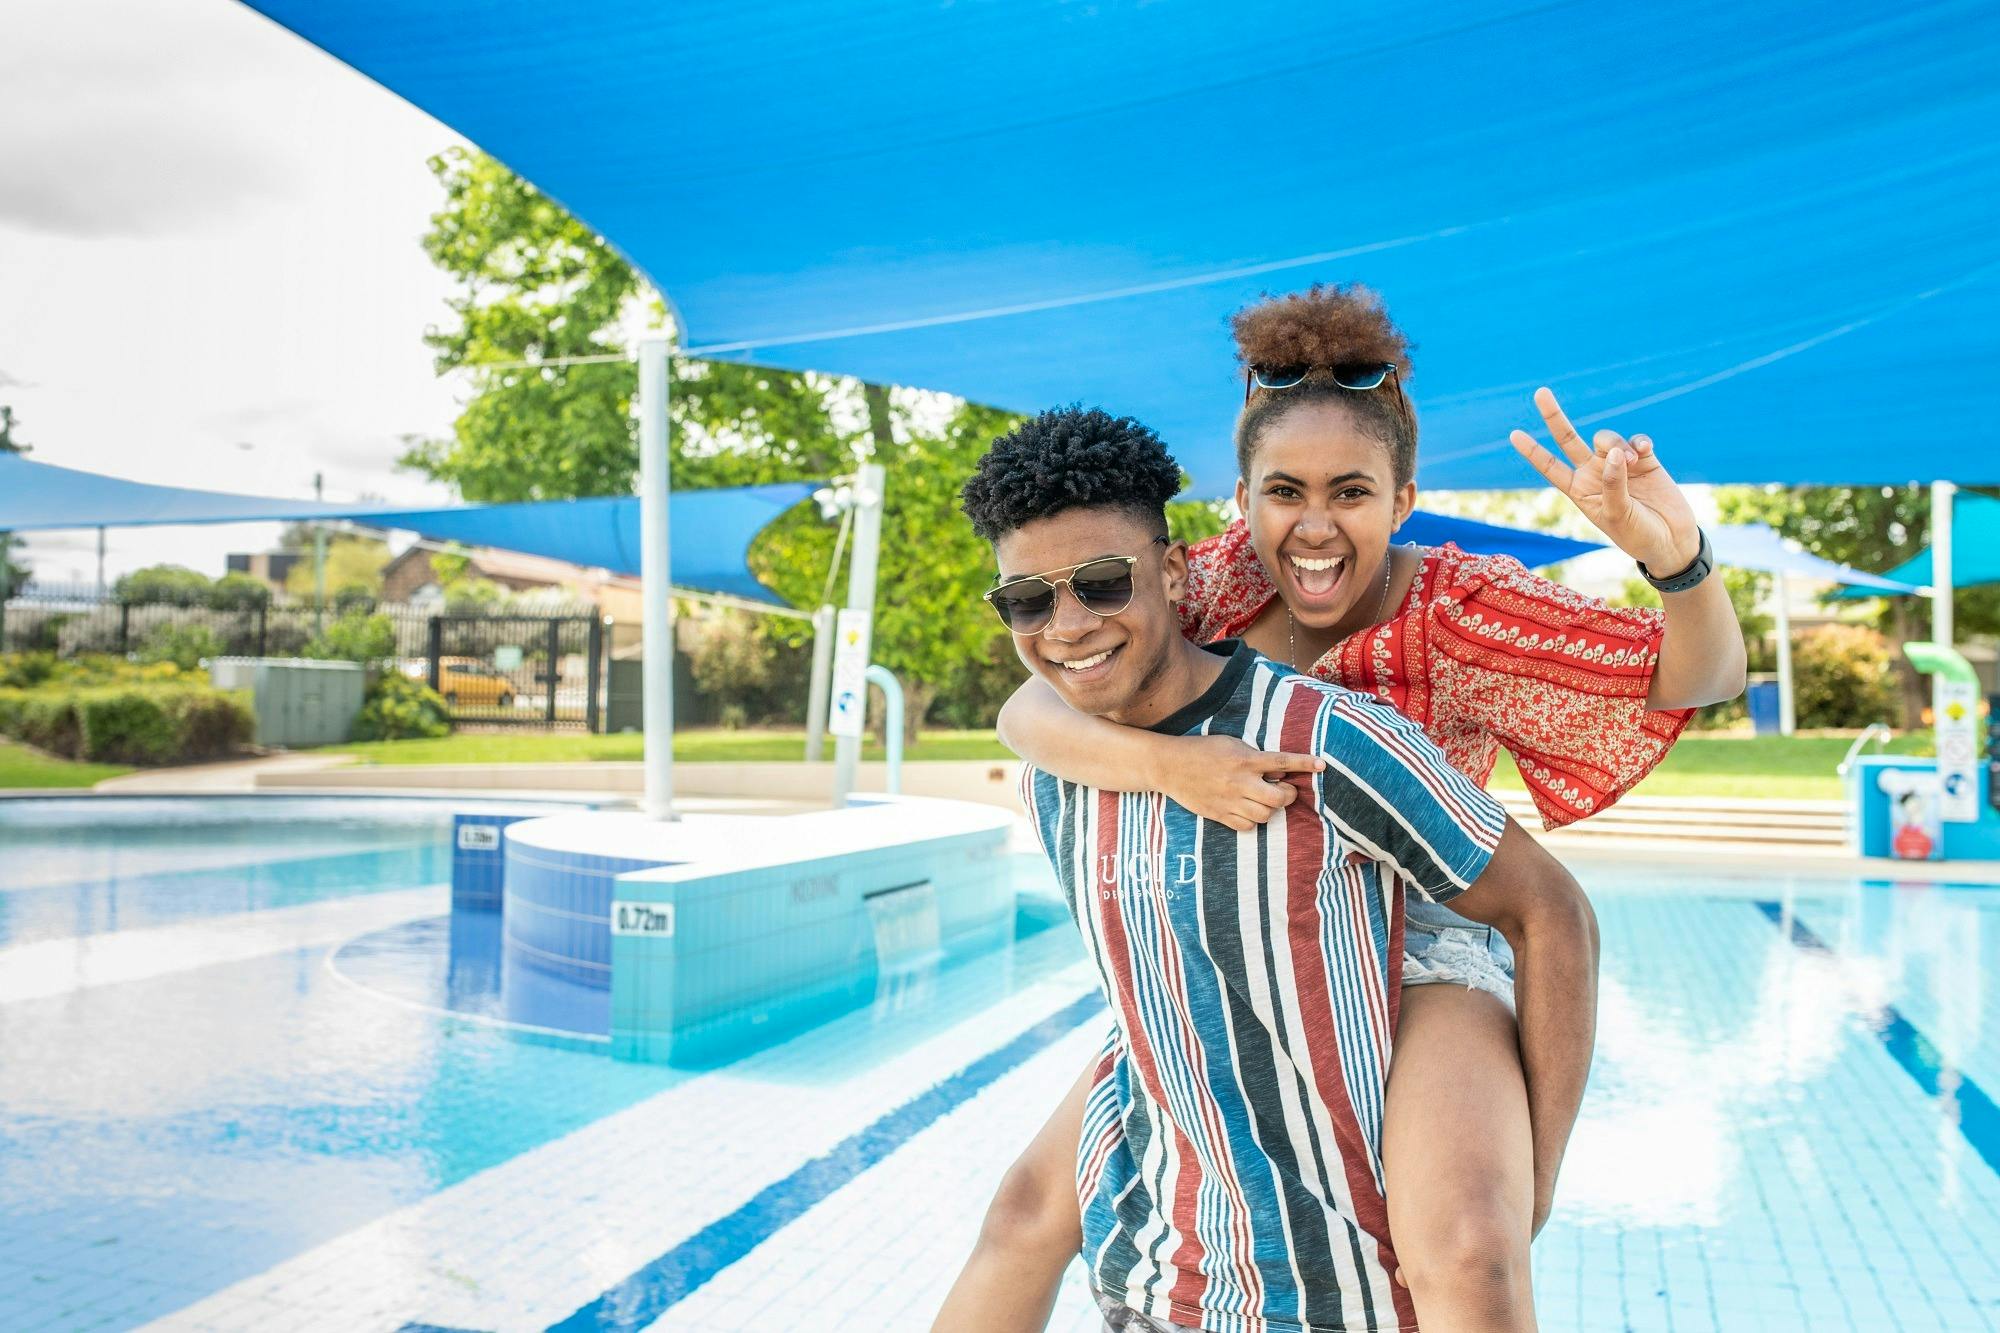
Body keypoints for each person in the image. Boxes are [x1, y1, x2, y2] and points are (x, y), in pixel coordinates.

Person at [935, 287, 1745, 1331]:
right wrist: (1171, 768)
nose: (1313, 526)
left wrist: (1673, 557)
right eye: (1283, 492)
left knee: (1467, 1245)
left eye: (1350, 492)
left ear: (1402, 500)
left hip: (1421, 939)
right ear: (1242, 500)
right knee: (1027, 1209)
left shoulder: (1461, 608)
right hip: (1249, 943)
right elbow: (1031, 707)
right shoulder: (1204, 583)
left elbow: (1698, 677)